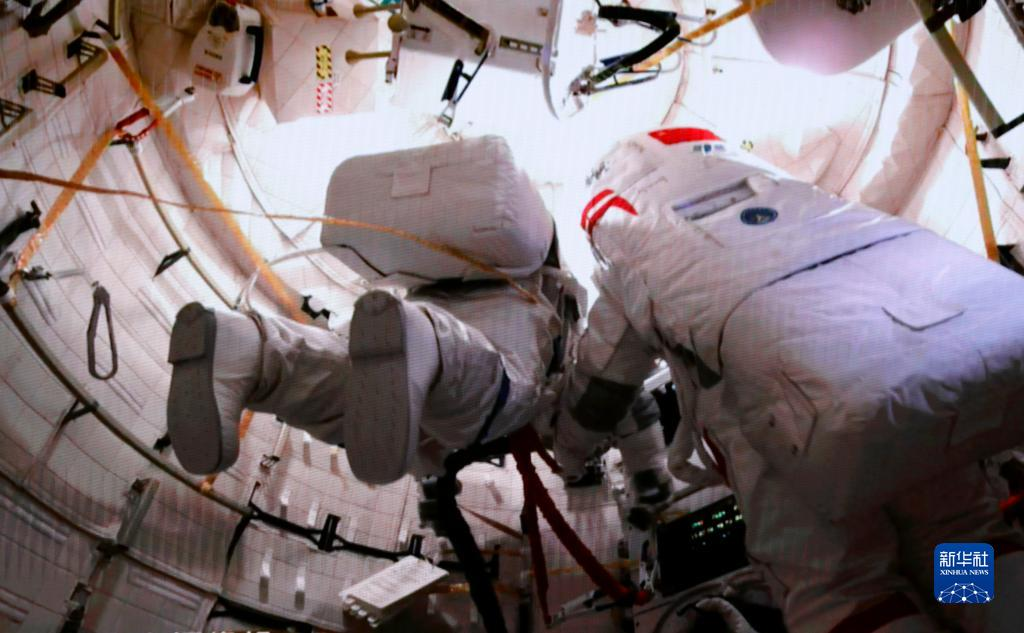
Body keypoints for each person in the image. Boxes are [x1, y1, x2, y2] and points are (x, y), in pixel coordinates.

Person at [562, 127, 1024, 632]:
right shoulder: (792, 194)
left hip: (792, 430)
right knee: (959, 534)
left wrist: (569, 451)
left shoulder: (633, 249)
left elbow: (601, 387)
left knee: (846, 591)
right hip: (916, 378)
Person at [166, 135, 671, 496]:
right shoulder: (564, 406)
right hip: (508, 311)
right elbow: (618, 394)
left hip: (426, 296)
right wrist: (650, 478)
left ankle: (250, 350)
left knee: (349, 377)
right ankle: (426, 341)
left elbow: (403, 439)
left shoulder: (400, 387)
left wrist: (432, 486)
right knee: (492, 400)